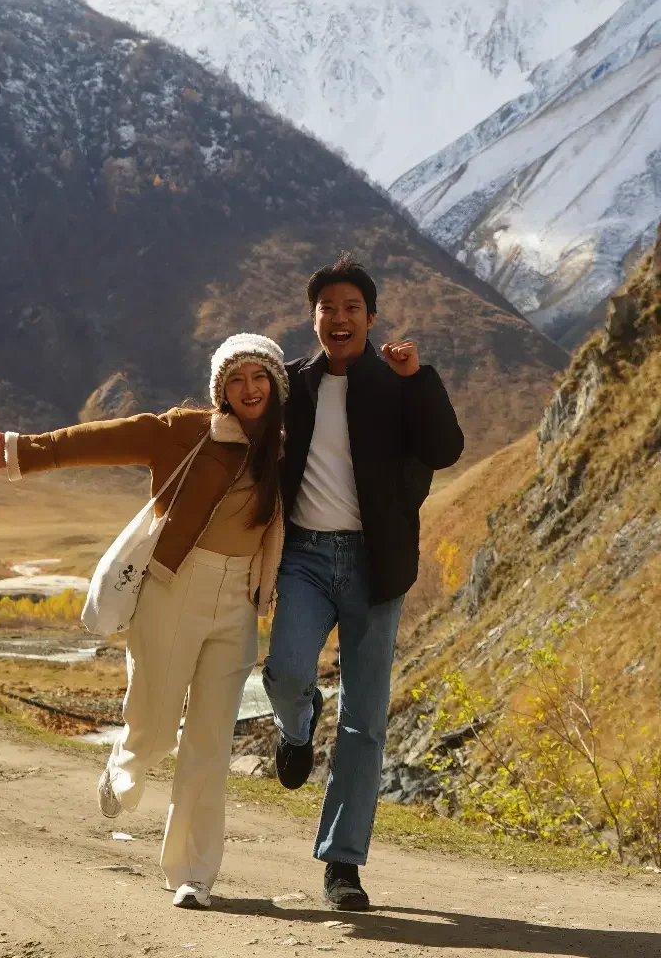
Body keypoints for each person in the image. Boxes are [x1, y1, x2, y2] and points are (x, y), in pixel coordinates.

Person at [0, 334, 289, 911]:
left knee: (211, 744)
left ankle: (194, 874)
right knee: (157, 725)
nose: (249, 389)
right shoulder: (185, 431)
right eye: (235, 379)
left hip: (238, 602)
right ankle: (126, 760)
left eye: (258, 376)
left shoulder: (286, 450)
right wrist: (22, 452)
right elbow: (102, 440)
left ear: (276, 384)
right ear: (221, 390)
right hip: (173, 590)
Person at [262, 255, 463, 911]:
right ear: (313, 318)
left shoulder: (399, 382)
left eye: (352, 308)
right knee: (285, 674)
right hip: (305, 560)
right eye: (328, 309)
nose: (340, 318)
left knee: (366, 722)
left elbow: (444, 448)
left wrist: (420, 379)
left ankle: (342, 865)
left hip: (378, 568)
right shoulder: (291, 385)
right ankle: (295, 730)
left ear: (370, 318)